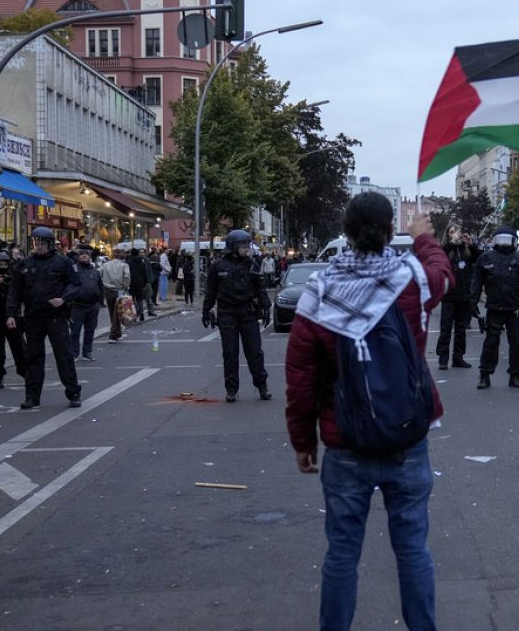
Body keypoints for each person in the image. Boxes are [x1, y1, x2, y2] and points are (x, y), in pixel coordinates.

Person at [285, 196, 450, 630]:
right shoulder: (413, 279)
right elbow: (445, 275)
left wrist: (303, 441)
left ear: (347, 231)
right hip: (406, 440)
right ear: (386, 230)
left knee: (342, 553)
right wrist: (424, 237)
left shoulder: (320, 290)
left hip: (346, 443)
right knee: (413, 549)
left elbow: (301, 376)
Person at [6, 226, 82, 410]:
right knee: (33, 358)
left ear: (49, 244)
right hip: (33, 317)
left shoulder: (62, 262)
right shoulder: (25, 263)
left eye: (42, 243)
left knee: (64, 356)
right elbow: (14, 291)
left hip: (56, 317)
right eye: (36, 243)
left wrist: (63, 298)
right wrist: (11, 313)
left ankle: (73, 393)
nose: (38, 246)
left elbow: (75, 284)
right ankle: (32, 396)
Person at [203, 229, 272, 402]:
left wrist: (266, 307)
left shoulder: (253, 264)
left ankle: (262, 386)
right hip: (227, 313)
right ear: (233, 246)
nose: (247, 248)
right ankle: (231, 389)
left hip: (248, 312)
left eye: (247, 244)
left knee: (255, 352)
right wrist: (206, 310)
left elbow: (260, 288)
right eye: (243, 245)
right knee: (230, 353)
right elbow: (211, 292)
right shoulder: (218, 266)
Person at [472, 226, 519, 389]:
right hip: (494, 307)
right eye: (501, 240)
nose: (504, 244)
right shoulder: (486, 258)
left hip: (515, 308)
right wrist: (472, 303)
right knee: (490, 343)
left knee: (516, 343)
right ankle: (484, 374)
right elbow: (476, 283)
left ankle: (515, 375)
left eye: (508, 240)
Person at [436, 225, 479, 371]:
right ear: (447, 235)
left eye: (457, 232)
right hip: (449, 296)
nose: (455, 235)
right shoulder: (446, 249)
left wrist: (471, 244)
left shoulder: (465, 250)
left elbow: (478, 259)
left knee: (461, 329)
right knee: (446, 328)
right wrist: (450, 244)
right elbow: (440, 257)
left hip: (464, 295)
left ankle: (458, 357)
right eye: (451, 232)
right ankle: (443, 358)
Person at [0, 251, 26, 389]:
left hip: (11, 316)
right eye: (0, 264)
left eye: (5, 264)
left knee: (19, 348)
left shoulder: (13, 278)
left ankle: (25, 372)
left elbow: (18, 296)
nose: (2, 267)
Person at [69, 247, 104, 361]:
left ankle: (87, 352)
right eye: (82, 254)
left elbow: (100, 286)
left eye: (86, 254)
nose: (84, 256)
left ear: (89, 257)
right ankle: (74, 353)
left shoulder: (95, 271)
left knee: (90, 331)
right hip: (77, 306)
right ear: (78, 257)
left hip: (93, 306)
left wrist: (99, 302)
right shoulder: (73, 270)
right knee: (75, 331)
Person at [100, 248, 131, 342]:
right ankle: (113, 335)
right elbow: (126, 277)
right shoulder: (124, 265)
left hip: (108, 290)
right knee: (118, 313)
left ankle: (117, 333)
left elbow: (98, 273)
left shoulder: (105, 265)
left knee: (112, 312)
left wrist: (103, 283)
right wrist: (126, 287)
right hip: (119, 290)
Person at [127, 248, 149, 322]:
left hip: (131, 284)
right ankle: (141, 312)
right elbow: (145, 273)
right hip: (140, 283)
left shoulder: (129, 263)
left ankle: (135, 314)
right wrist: (145, 283)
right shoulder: (141, 262)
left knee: (132, 300)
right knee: (140, 299)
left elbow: (127, 274)